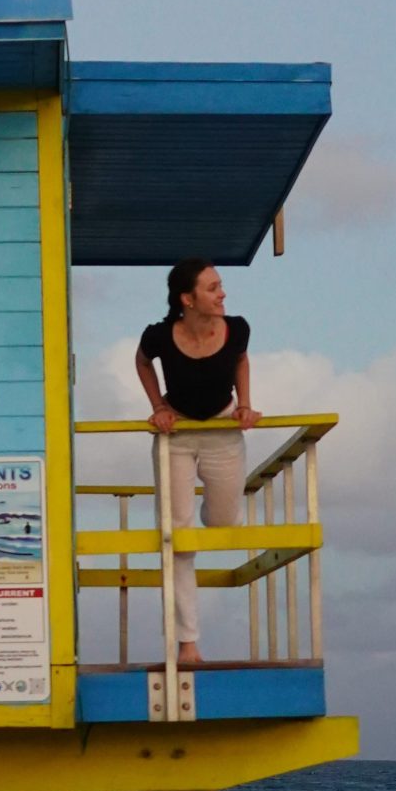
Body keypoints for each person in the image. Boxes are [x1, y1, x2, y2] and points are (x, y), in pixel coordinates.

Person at [134, 259, 260, 667]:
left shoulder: (237, 328)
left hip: (223, 429)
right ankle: (187, 643)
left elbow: (240, 358)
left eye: (220, 285)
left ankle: (210, 510)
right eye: (212, 288)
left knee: (222, 522)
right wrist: (158, 406)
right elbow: (142, 360)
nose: (222, 294)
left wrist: (245, 403)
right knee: (177, 537)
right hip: (177, 433)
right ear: (187, 299)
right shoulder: (159, 335)